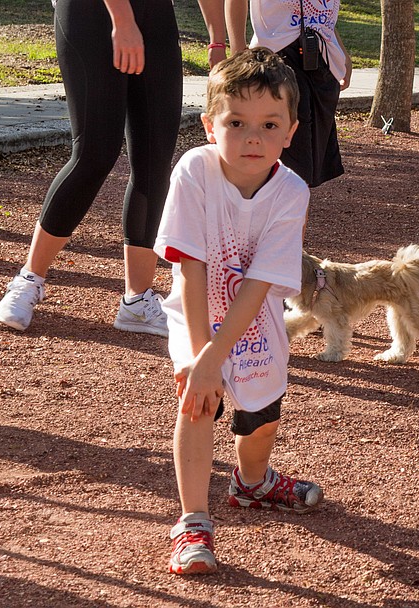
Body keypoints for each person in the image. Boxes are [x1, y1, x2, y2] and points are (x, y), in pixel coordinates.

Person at [153, 48, 321, 575]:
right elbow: (191, 269)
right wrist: (203, 361)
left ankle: (252, 482)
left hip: (253, 313)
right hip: (197, 308)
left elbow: (259, 285)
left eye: (270, 125)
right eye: (237, 122)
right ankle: (193, 524)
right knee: (197, 400)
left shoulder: (291, 191)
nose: (253, 138)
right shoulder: (194, 172)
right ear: (209, 126)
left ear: (290, 131)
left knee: (262, 417)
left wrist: (221, 355)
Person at [0, 0, 227, 335]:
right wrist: (123, 19)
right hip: (91, 14)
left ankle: (137, 301)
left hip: (155, 14)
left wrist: (217, 42)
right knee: (94, 153)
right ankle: (29, 279)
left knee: (154, 159)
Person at [225, 0, 352, 188]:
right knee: (290, 170)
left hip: (323, 60)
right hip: (278, 58)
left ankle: (294, 216)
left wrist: (342, 53)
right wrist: (237, 50)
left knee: (305, 174)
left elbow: (319, 16)